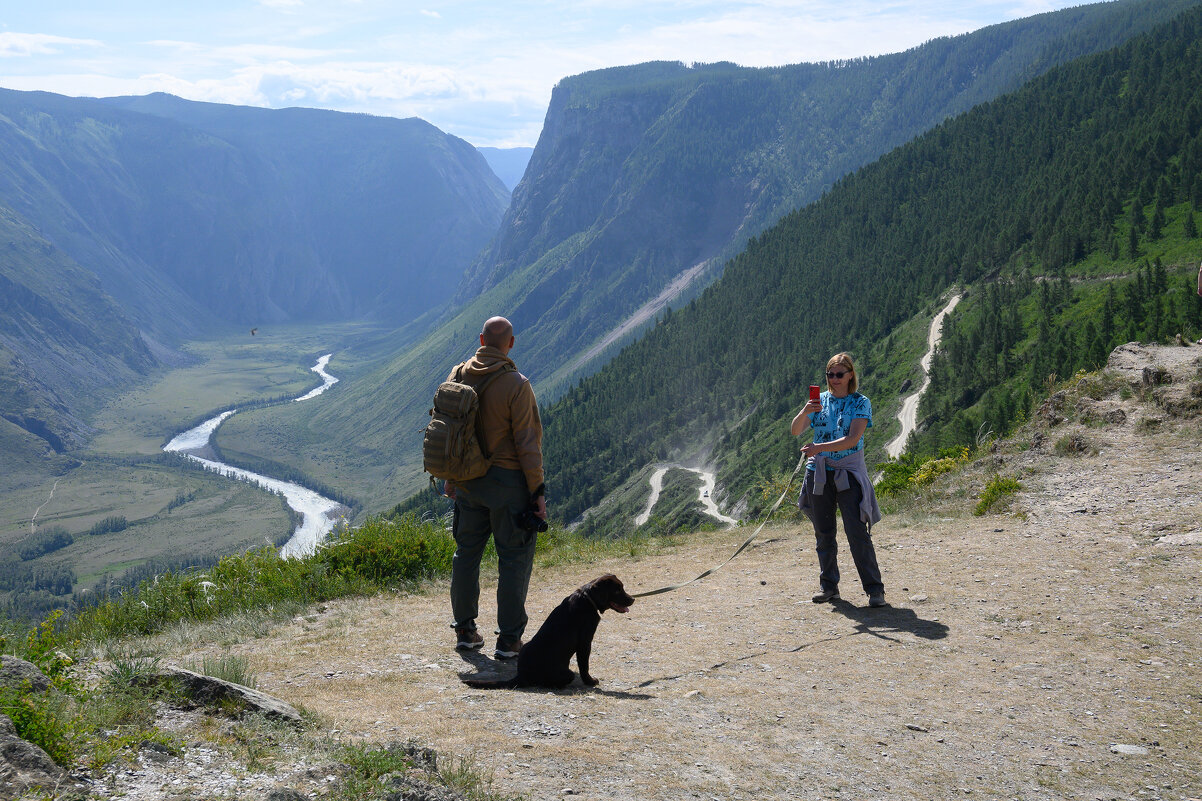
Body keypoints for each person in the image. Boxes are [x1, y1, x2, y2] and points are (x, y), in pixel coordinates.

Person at [444, 317, 547, 659]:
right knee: (514, 559)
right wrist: (538, 492)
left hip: (469, 483)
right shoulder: (516, 384)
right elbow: (528, 445)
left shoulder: (457, 375)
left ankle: (465, 631)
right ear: (511, 343)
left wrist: (451, 477)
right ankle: (509, 640)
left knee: (466, 555)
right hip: (508, 486)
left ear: (481, 338)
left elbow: (448, 431)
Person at [790, 352, 885, 608]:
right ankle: (829, 587)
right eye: (830, 374)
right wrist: (805, 411)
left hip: (847, 472)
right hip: (819, 472)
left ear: (850, 375)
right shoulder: (818, 402)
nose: (834, 379)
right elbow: (796, 430)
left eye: (839, 374)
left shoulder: (860, 402)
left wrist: (819, 449)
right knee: (824, 532)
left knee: (856, 532)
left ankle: (875, 589)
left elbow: (853, 439)